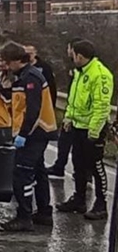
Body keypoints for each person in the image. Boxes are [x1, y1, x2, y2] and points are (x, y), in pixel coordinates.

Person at [0, 42, 57, 232]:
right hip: (38, 131)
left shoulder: (30, 78)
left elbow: (33, 110)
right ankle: (44, 212)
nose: (6, 66)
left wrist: (23, 134)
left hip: (34, 132)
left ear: (16, 60)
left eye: (7, 62)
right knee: (39, 172)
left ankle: (24, 216)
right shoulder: (23, 76)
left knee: (22, 174)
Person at [56, 39, 115, 220]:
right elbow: (74, 100)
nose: (71, 57)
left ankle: (101, 204)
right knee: (78, 164)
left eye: (73, 54)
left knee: (96, 167)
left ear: (79, 56)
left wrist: (94, 131)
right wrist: (68, 118)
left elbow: (101, 106)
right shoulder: (80, 73)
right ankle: (79, 199)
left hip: (92, 129)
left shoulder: (100, 74)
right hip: (77, 126)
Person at [46, 37, 84, 178]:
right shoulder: (72, 66)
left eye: (69, 48)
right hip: (71, 111)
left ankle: (82, 174)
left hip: (80, 116)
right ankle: (60, 166)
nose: (67, 51)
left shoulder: (82, 70)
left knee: (77, 148)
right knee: (64, 142)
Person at [25, 45, 57, 109]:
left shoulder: (44, 67)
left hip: (42, 100)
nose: (29, 56)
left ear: (35, 53)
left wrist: (52, 104)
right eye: (27, 54)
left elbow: (51, 85)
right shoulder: (23, 67)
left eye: (31, 53)